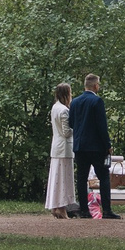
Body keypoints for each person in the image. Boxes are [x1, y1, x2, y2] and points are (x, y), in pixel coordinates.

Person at [71, 73, 120, 219]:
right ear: (95, 85)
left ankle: (84, 210)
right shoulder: (97, 101)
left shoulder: (75, 102)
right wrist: (107, 145)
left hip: (80, 146)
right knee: (104, 176)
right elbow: (101, 126)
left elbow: (71, 123)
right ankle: (107, 210)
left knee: (81, 177)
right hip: (96, 147)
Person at [44, 82, 75, 218]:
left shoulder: (55, 108)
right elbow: (66, 132)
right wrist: (77, 128)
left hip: (56, 147)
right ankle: (61, 207)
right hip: (64, 148)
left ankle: (55, 206)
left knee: (56, 177)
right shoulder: (64, 110)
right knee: (64, 178)